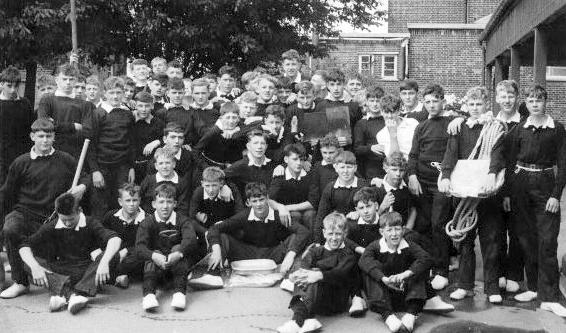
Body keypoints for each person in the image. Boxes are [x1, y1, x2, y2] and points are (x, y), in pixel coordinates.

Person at [0, 119, 87, 299]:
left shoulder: (65, 159)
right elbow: (7, 193)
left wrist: (82, 187)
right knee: (11, 228)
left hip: (54, 217)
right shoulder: (21, 162)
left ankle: (63, 282)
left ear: (54, 137)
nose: (45, 140)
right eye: (41, 136)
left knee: (55, 259)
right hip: (25, 213)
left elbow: (85, 177)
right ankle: (20, 282)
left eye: (49, 136)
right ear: (32, 137)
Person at [439, 86, 505, 304]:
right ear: (466, 106)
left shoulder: (495, 127)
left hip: (487, 192)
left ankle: (492, 287)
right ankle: (464, 285)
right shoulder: (459, 127)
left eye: (479, 104)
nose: (475, 108)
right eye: (472, 104)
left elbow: (498, 154)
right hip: (464, 190)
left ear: (486, 105)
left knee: (491, 239)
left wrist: (492, 174)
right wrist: (446, 176)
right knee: (465, 240)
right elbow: (451, 153)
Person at [504, 84, 566, 317]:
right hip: (520, 183)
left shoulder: (557, 129)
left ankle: (550, 297)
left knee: (547, 241)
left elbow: (564, 163)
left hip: (545, 183)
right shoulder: (519, 129)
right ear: (526, 104)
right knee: (525, 239)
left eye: (539, 100)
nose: (535, 104)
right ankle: (533, 287)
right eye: (531, 100)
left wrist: (555, 195)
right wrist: (508, 194)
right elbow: (510, 164)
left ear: (545, 102)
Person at [17, 193, 121, 314]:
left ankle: (65, 294)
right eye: (63, 219)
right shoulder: (51, 226)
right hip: (60, 272)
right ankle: (74, 295)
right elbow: (24, 246)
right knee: (28, 263)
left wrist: (104, 262)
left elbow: (115, 239)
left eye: (71, 219)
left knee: (113, 255)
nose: (67, 223)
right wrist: (35, 267)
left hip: (85, 272)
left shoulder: (90, 222)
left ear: (79, 211)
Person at [276, 212, 357, 333]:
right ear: (324, 233)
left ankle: (297, 321)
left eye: (338, 234)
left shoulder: (348, 254)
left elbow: (339, 273)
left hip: (336, 301)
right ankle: (308, 319)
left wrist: (318, 275)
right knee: (306, 272)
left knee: (313, 275)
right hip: (316, 298)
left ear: (345, 234)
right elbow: (303, 264)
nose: (334, 238)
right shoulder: (316, 251)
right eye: (330, 233)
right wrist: (298, 274)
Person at [407, 84, 453, 290]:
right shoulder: (421, 126)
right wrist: (412, 175)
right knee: (425, 225)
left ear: (442, 101)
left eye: (435, 101)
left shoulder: (453, 122)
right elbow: (413, 155)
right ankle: (430, 264)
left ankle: (442, 271)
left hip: (442, 184)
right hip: (422, 183)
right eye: (428, 102)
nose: (432, 105)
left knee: (439, 224)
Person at [206, 182, 309, 274]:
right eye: (254, 201)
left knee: (296, 237)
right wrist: (216, 250)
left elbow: (303, 231)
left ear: (267, 199)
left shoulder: (278, 215)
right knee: (222, 236)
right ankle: (214, 274)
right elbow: (214, 229)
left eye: (261, 200)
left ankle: (294, 275)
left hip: (274, 253)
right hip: (247, 254)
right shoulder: (244, 216)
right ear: (248, 202)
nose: (259, 204)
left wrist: (290, 255)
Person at [359, 212, 433, 333]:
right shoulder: (375, 246)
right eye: (389, 230)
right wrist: (383, 278)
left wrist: (406, 274)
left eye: (397, 229)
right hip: (384, 296)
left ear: (403, 230)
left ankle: (411, 315)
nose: (394, 234)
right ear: (382, 232)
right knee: (370, 270)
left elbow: (427, 258)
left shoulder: (409, 245)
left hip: (406, 295)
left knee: (418, 268)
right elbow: (363, 261)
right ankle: (388, 317)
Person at [136, 182, 198, 311]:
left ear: (175, 204)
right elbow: (139, 247)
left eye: (169, 202)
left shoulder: (183, 220)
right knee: (153, 253)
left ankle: (179, 293)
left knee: (178, 248)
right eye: (161, 202)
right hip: (156, 271)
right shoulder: (147, 222)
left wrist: (179, 253)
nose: (165, 206)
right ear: (154, 204)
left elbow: (191, 239)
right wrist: (154, 256)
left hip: (177, 268)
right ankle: (148, 295)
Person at [88, 76, 136, 219]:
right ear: (105, 94)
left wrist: (131, 167)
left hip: (122, 167)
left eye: (119, 92)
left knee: (121, 204)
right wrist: (95, 171)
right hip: (102, 167)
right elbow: (90, 145)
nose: (115, 96)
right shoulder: (98, 113)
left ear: (123, 93)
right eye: (112, 93)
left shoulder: (127, 114)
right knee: (100, 206)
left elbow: (131, 143)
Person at [37, 64, 94, 160]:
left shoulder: (86, 105)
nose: (68, 82)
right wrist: (73, 126)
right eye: (64, 79)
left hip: (76, 154)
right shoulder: (47, 101)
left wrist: (55, 125)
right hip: (51, 153)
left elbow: (87, 132)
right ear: (56, 80)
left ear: (76, 80)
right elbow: (43, 125)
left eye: (71, 79)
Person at [314, 150, 369, 244]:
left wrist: (359, 212)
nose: (345, 171)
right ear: (336, 168)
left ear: (355, 168)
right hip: (336, 227)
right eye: (342, 167)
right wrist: (317, 242)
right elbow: (321, 215)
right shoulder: (330, 188)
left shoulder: (362, 185)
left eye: (349, 167)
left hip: (356, 226)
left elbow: (370, 208)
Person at [188, 167, 244, 257]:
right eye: (207, 186)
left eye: (214, 185)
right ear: (202, 184)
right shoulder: (198, 193)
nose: (211, 190)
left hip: (227, 228)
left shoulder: (231, 190)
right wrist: (205, 232)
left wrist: (225, 224)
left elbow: (240, 214)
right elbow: (191, 219)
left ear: (221, 183)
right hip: (206, 230)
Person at [101, 183, 147, 288]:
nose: (131, 204)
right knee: (101, 258)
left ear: (139, 201)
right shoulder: (111, 216)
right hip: (114, 254)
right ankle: (118, 278)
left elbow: (145, 244)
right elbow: (102, 237)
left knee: (140, 259)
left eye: (135, 200)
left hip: (133, 255)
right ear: (120, 202)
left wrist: (127, 250)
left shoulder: (146, 219)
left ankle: (115, 278)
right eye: (127, 200)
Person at [269, 144, 318, 234]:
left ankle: (313, 244)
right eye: (295, 159)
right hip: (287, 214)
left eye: (302, 160)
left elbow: (313, 202)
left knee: (310, 215)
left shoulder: (309, 175)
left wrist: (286, 207)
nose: (299, 163)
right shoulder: (280, 175)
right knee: (295, 215)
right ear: (286, 159)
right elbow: (270, 200)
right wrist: (281, 208)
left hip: (306, 211)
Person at [314, 69, 363, 149]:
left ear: (343, 84)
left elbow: (359, 131)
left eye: (339, 84)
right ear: (327, 85)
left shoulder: (353, 106)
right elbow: (317, 132)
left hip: (347, 151)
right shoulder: (321, 106)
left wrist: (350, 139)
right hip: (327, 152)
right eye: (332, 84)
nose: (336, 88)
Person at [224, 129, 278, 198]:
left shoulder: (273, 164)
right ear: (248, 146)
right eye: (255, 143)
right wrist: (224, 186)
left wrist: (282, 166)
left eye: (262, 143)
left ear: (266, 146)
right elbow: (218, 176)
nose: (259, 147)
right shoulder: (241, 165)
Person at [194, 101, 246, 168]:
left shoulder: (241, 127)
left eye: (234, 117)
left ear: (238, 118)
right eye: (228, 117)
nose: (231, 121)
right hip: (212, 166)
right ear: (221, 118)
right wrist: (206, 167)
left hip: (233, 167)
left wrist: (236, 130)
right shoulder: (213, 132)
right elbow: (196, 151)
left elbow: (253, 125)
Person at [140, 147, 190, 215]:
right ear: (156, 166)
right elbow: (140, 199)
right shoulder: (149, 180)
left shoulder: (182, 183)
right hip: (150, 218)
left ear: (174, 164)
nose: (164, 166)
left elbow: (183, 208)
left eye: (167, 163)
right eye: (161, 163)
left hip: (174, 220)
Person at [353, 85, 386, 179]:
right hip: (371, 168)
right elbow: (357, 149)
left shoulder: (388, 120)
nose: (375, 104)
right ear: (367, 102)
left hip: (390, 166)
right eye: (372, 101)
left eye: (378, 101)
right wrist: (371, 148)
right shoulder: (362, 123)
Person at [132, 91, 165, 182]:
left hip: (150, 166)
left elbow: (167, 139)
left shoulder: (158, 123)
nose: (143, 109)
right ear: (135, 106)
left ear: (152, 106)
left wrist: (157, 141)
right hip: (132, 166)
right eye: (140, 106)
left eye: (147, 106)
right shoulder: (130, 120)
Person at [376, 94, 419, 159]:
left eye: (393, 112)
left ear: (399, 111)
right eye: (386, 112)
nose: (390, 116)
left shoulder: (413, 123)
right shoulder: (381, 134)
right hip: (400, 166)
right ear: (381, 112)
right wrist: (392, 134)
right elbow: (394, 158)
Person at [188, 78, 221, 146]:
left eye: (203, 93)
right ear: (192, 94)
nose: (200, 97)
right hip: (195, 151)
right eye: (197, 93)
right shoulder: (187, 111)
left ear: (209, 93)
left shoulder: (219, 109)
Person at [309, 134, 339, 199]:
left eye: (331, 152)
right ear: (320, 151)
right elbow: (314, 194)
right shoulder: (317, 167)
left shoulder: (344, 165)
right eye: (324, 153)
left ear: (338, 151)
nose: (327, 156)